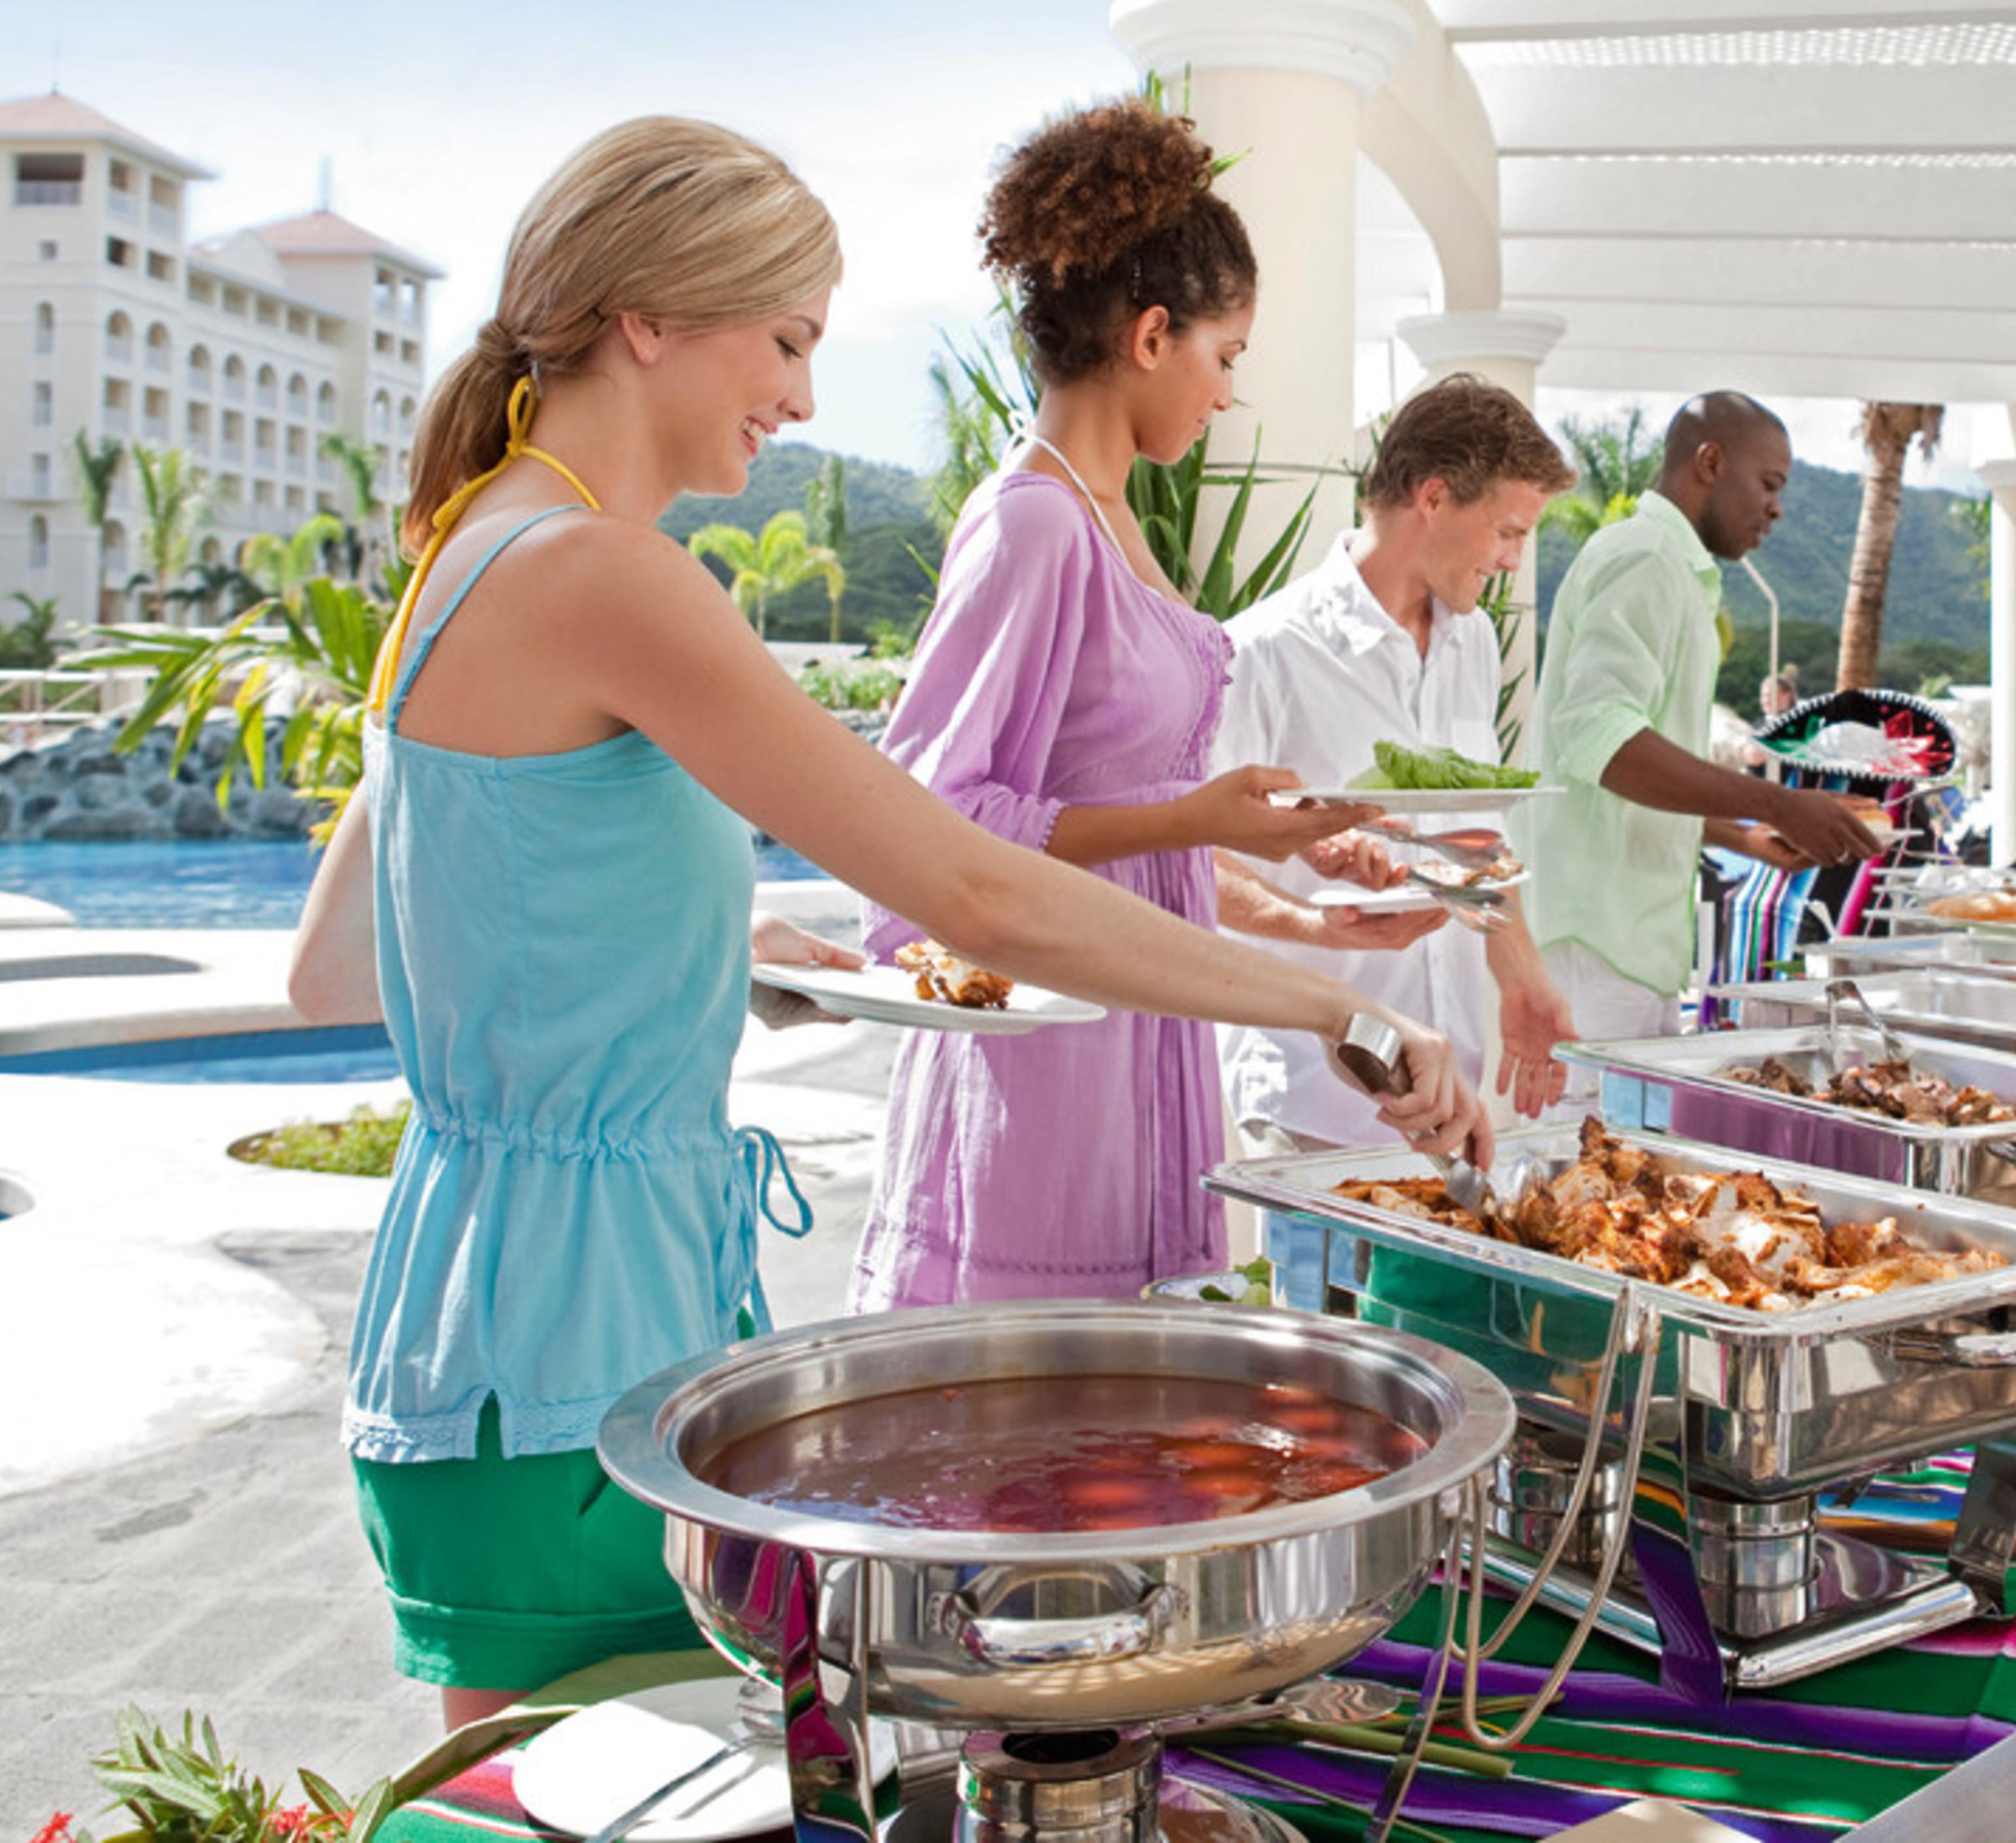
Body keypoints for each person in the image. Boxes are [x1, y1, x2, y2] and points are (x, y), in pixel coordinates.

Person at [289, 116, 1484, 1729]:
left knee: (523, 1797)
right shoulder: (607, 575)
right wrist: (1338, 1008)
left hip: (467, 1340)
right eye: (784, 341)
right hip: (585, 1359)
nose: (797, 397)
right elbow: (970, 884)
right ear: (647, 315)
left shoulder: (462, 551)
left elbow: (342, 962)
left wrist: (712, 958)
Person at [851, 96, 1462, 1311]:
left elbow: (1103, 807)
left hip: (1142, 1028)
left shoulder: (1111, 520)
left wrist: (1298, 909)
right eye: (1224, 355)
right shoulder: (1032, 523)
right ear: (1148, 337)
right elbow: (934, 826)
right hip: (1056, 1072)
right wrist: (1197, 820)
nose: (1227, 393)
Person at [1214, 375, 1581, 1146]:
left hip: (1449, 1096)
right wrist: (1314, 924)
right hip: (1314, 1095)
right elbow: (1189, 862)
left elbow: (1466, 839)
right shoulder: (1263, 653)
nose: (1515, 561)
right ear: (1436, 498)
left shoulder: (1472, 642)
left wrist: (1520, 973)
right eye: (1509, 532)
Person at [1519, 394, 1882, 1042]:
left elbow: (1629, 779)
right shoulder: (1647, 558)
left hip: (1626, 948)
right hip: (1597, 947)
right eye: (1769, 484)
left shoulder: (1674, 569)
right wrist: (1777, 803)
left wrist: (1739, 836)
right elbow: (1601, 743)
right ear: (1710, 461)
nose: (1777, 508)